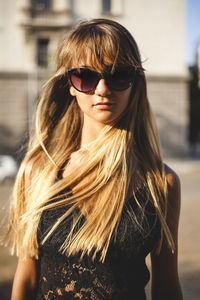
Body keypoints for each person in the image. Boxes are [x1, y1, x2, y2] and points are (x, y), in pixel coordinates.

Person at [5, 18, 183, 299]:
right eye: (86, 76)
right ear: (70, 85)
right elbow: (26, 278)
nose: (102, 89)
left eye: (118, 74)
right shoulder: (37, 171)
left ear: (135, 83)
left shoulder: (161, 182)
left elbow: (168, 288)